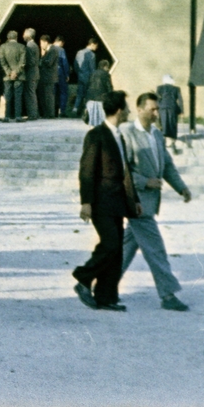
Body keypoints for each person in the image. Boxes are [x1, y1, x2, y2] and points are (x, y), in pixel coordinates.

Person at [119, 92, 194, 311]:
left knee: (126, 248)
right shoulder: (127, 133)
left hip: (149, 203)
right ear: (139, 109)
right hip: (137, 203)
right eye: (152, 109)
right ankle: (168, 295)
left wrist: (181, 187)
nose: (156, 113)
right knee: (156, 249)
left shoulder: (157, 135)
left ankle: (98, 284)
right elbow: (121, 170)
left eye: (157, 109)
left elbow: (167, 165)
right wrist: (144, 182)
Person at [73, 91, 140, 312]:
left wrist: (134, 199)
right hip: (101, 202)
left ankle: (107, 296)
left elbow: (125, 172)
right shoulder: (96, 135)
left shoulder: (119, 136)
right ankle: (83, 277)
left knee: (117, 250)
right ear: (119, 110)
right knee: (110, 244)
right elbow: (87, 171)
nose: (129, 111)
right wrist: (86, 202)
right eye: (127, 108)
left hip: (118, 202)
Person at [0, 31, 29, 121]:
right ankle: (18, 116)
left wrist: (9, 72)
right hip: (19, 76)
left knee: (8, 96)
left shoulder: (3, 47)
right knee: (18, 96)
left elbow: (2, 61)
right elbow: (22, 62)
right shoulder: (22, 47)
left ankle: (7, 116)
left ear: (8, 38)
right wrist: (16, 72)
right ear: (16, 37)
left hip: (7, 76)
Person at [73, 39, 99, 118]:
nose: (97, 48)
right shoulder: (91, 54)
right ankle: (85, 113)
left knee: (79, 94)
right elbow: (92, 68)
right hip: (88, 77)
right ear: (92, 44)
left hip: (80, 76)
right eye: (96, 46)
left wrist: (79, 73)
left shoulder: (79, 52)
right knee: (88, 95)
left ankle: (75, 109)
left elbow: (75, 65)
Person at [85, 58, 114, 127]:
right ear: (105, 66)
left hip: (90, 98)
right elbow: (109, 86)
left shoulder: (92, 73)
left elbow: (87, 85)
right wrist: (111, 97)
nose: (108, 68)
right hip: (101, 98)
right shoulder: (106, 74)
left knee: (92, 118)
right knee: (101, 118)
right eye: (108, 67)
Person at [37, 35, 59, 118]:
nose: (41, 45)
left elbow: (49, 62)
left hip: (49, 77)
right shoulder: (48, 50)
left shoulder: (53, 50)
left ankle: (50, 114)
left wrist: (42, 59)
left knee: (49, 96)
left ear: (46, 42)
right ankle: (46, 113)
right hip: (45, 77)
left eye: (41, 43)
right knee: (45, 95)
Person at [23, 29, 42, 123]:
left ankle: (32, 114)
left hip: (31, 74)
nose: (23, 36)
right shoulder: (34, 45)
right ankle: (34, 113)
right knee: (32, 93)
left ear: (29, 36)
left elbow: (31, 61)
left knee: (30, 94)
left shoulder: (30, 46)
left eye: (24, 34)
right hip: (35, 73)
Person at [157, 75, 184, 141]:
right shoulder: (176, 88)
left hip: (162, 107)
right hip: (173, 107)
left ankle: (164, 137)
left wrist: (159, 106)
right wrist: (181, 111)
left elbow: (157, 98)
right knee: (172, 122)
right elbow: (180, 100)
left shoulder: (159, 88)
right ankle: (173, 138)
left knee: (163, 122)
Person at [51, 38, 72, 118]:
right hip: (60, 73)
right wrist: (67, 74)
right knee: (63, 92)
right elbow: (65, 63)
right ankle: (61, 111)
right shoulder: (61, 50)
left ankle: (52, 111)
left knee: (52, 93)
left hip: (51, 74)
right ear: (60, 42)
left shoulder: (49, 48)